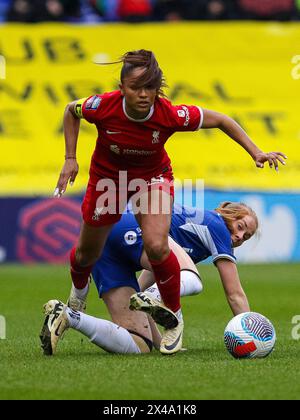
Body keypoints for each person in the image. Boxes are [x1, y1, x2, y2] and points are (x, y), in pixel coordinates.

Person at [54, 49, 286, 355]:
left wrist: (256, 152)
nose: (144, 95)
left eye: (150, 88)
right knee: (85, 254)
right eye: (136, 88)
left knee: (158, 245)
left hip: (152, 179)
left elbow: (221, 119)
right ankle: (77, 297)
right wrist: (71, 158)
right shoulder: (101, 106)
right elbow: (71, 111)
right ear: (122, 88)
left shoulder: (170, 114)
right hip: (108, 180)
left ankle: (174, 318)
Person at [40, 201, 258, 356]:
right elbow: (234, 293)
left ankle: (68, 316)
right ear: (228, 214)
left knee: (140, 345)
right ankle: (157, 301)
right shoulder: (217, 225)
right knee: (192, 279)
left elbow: (146, 287)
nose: (239, 237)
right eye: (240, 227)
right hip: (132, 223)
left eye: (246, 237)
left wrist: (157, 337)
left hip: (106, 243)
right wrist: (250, 333)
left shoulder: (195, 234)